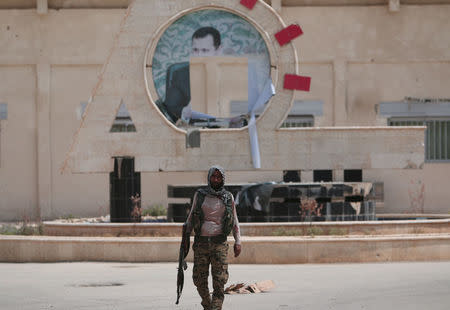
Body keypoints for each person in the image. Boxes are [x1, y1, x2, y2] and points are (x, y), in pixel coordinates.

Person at [184, 165, 241, 310]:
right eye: (213, 176)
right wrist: (185, 237)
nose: (216, 179)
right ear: (209, 178)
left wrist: (238, 241)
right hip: (201, 243)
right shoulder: (200, 194)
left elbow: (235, 221)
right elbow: (190, 218)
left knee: (219, 281)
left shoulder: (228, 197)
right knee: (199, 280)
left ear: (223, 179)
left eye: (219, 177)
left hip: (219, 244)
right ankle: (208, 305)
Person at [164, 27, 222, 122]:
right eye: (195, 50)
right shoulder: (180, 75)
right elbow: (170, 108)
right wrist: (185, 112)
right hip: (195, 128)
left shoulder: (232, 73)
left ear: (218, 50)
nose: (199, 56)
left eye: (205, 50)